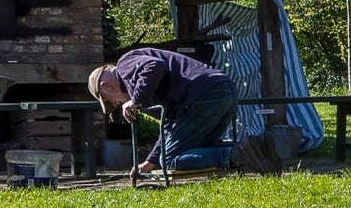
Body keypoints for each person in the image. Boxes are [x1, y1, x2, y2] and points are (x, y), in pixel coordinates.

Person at [90, 45, 247, 173]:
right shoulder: (141, 88)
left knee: (169, 159)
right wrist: (149, 162)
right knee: (201, 147)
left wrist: (135, 100)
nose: (117, 103)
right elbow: (169, 126)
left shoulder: (125, 65)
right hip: (224, 89)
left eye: (111, 101)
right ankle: (254, 148)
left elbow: (154, 65)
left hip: (203, 95)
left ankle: (238, 155)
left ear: (106, 86)